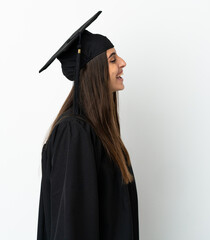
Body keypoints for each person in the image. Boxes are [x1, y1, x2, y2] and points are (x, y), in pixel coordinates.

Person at [37, 11, 139, 240]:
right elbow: (71, 227)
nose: (122, 63)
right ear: (94, 71)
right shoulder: (74, 133)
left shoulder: (98, 131)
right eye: (112, 59)